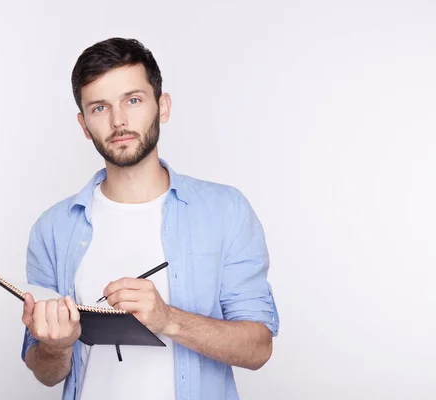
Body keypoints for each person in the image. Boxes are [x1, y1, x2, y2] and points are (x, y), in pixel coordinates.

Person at [19, 37, 279, 400]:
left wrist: (167, 319)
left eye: (133, 100)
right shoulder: (53, 228)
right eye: (99, 108)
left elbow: (258, 349)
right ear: (83, 124)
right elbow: (46, 373)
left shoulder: (226, 211)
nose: (118, 120)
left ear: (163, 106)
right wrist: (57, 346)